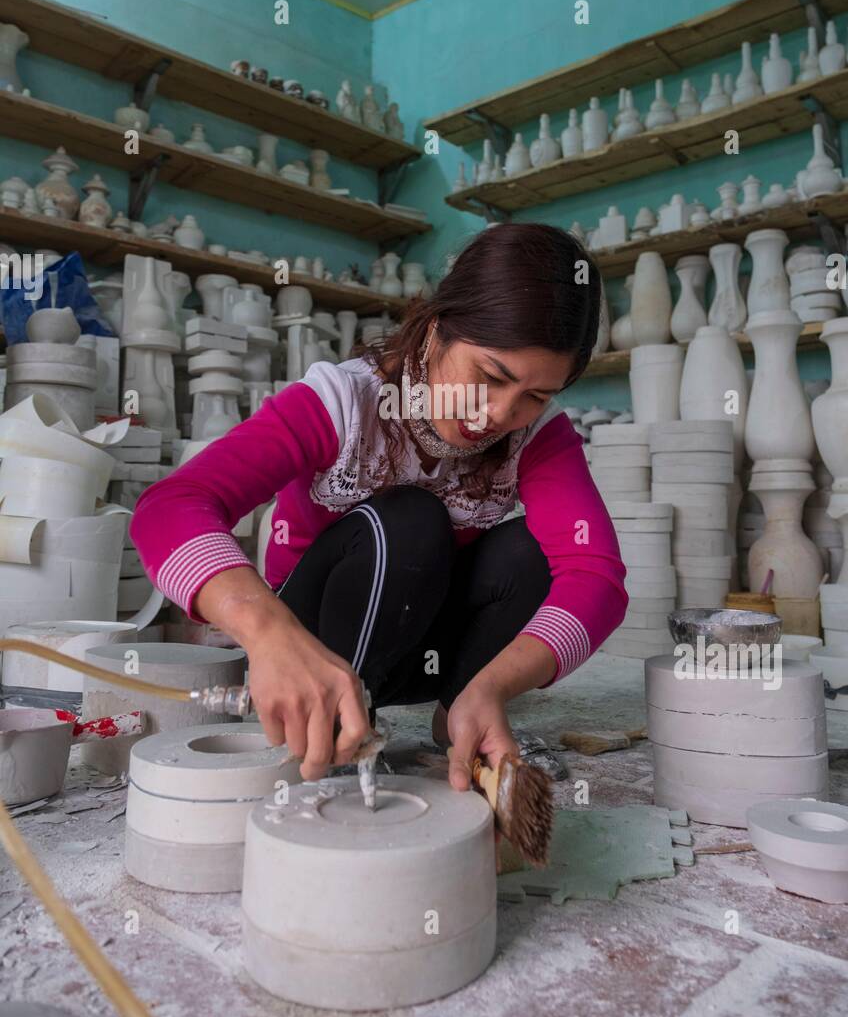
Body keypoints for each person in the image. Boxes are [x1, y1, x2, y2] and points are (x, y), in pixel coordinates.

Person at [130, 222, 627, 792]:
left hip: (418, 649)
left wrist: (493, 687)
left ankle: (458, 715)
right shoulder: (345, 401)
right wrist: (266, 633)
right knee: (411, 519)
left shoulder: (536, 437)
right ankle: (335, 724)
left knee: (528, 551)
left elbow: (597, 577)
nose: (497, 414)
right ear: (440, 327)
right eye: (490, 376)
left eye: (534, 396)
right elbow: (170, 506)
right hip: (310, 644)